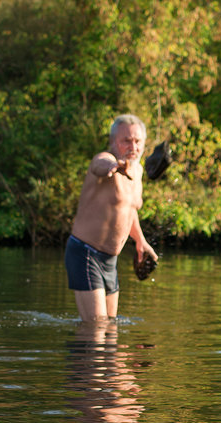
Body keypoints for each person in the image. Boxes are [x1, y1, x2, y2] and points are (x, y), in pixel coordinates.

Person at [65, 114, 158, 321]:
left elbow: (129, 209)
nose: (132, 146)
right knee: (96, 327)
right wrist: (113, 167)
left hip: (110, 259)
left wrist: (141, 242)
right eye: (126, 140)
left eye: (137, 141)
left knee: (110, 329)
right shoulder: (105, 160)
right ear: (113, 141)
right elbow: (99, 165)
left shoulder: (138, 171)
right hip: (85, 252)